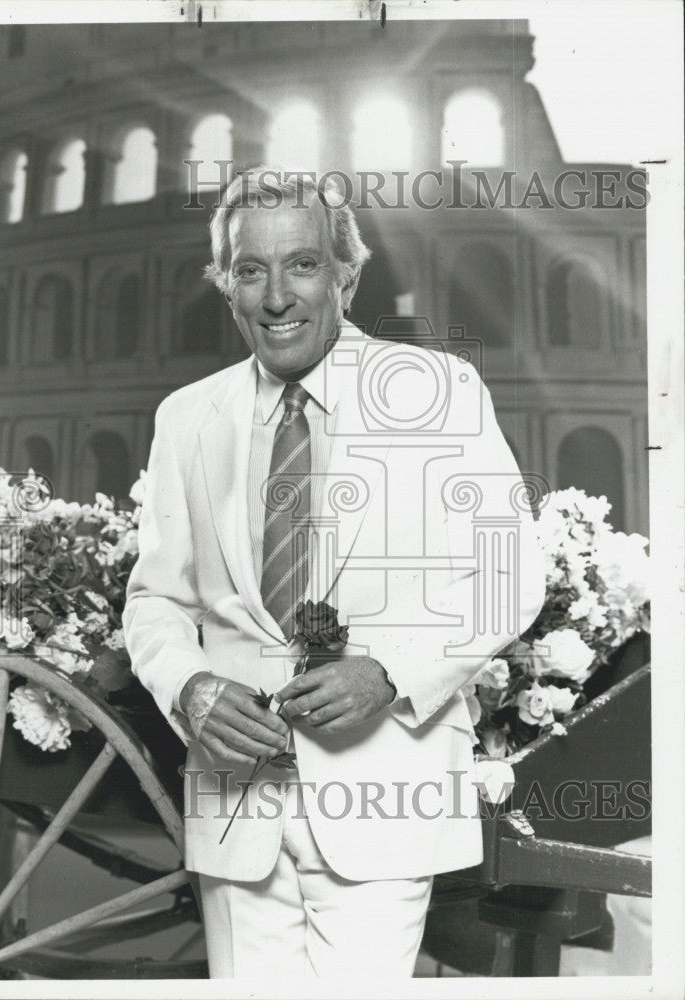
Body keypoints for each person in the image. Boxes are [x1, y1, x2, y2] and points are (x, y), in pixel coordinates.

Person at [123, 168, 546, 979]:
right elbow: (156, 601)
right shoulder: (187, 417)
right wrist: (189, 687)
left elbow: (509, 570)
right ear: (227, 287)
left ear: (348, 275)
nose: (277, 295)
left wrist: (391, 671)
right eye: (251, 270)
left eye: (304, 265)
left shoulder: (437, 391)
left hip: (382, 789)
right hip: (235, 801)